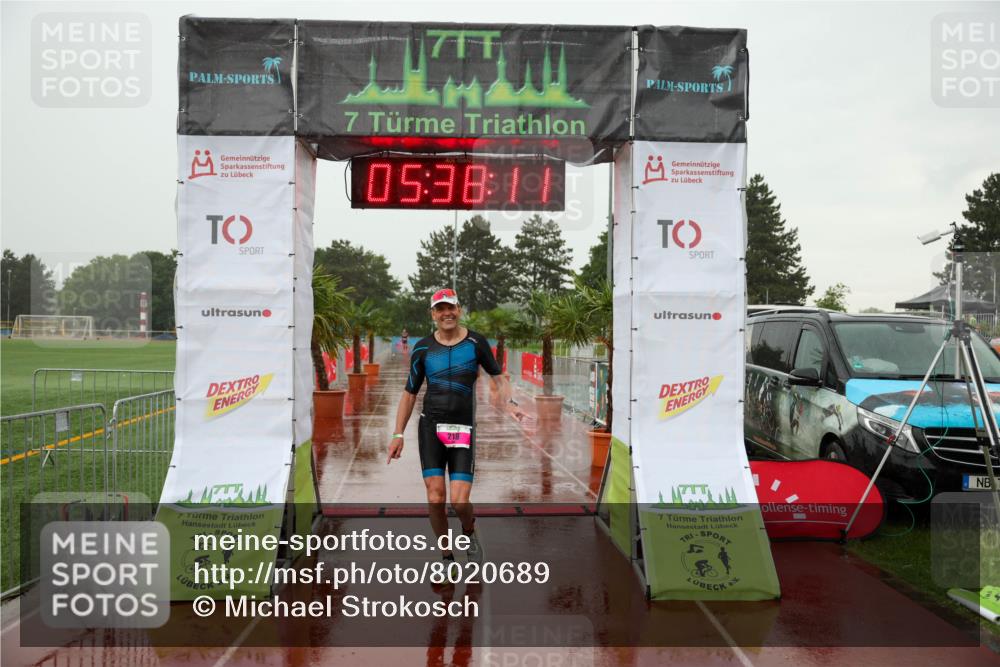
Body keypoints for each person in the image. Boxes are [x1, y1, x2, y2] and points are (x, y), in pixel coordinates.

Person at [387, 288, 521, 564]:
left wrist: (511, 403)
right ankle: (447, 558)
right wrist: (398, 433)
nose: (447, 313)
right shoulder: (423, 348)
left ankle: (469, 531)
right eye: (440, 309)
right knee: (436, 497)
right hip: (431, 428)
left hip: (462, 429)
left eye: (451, 307)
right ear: (433, 314)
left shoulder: (475, 342)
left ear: (459, 310)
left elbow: (498, 377)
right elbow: (410, 392)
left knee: (459, 501)